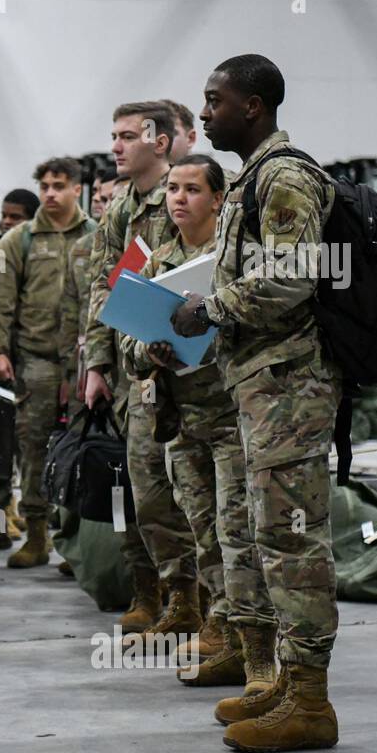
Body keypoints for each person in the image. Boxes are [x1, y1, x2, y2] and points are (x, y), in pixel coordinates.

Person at [171, 54, 339, 753]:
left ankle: (310, 702)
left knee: (293, 540)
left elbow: (292, 279)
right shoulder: (252, 181)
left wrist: (209, 309)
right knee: (268, 535)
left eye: (214, 102)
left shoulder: (285, 177)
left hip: (290, 388)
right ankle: (280, 684)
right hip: (262, 386)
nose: (204, 113)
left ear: (254, 106)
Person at [115, 155, 253, 664]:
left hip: (231, 414)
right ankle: (210, 613)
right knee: (199, 524)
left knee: (233, 527)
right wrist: (150, 350)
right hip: (179, 415)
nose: (178, 198)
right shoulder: (155, 262)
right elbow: (127, 340)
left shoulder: (235, 259)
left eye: (192, 189)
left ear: (218, 199)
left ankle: (237, 627)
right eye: (173, 188)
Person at [83, 101, 197, 634]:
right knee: (140, 492)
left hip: (189, 369)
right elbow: (102, 287)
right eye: (114, 135)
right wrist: (96, 363)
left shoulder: (188, 194)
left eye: (127, 136)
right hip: (136, 373)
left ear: (161, 142)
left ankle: (203, 603)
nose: (115, 146)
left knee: (190, 493)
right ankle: (153, 594)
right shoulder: (117, 208)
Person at [0, 158, 93, 564]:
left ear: (77, 188)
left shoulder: (98, 237)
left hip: (85, 363)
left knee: (83, 450)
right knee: (34, 451)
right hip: (35, 363)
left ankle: (77, 542)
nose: (51, 193)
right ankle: (37, 536)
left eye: (60, 185)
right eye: (45, 186)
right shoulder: (19, 240)